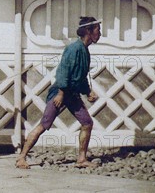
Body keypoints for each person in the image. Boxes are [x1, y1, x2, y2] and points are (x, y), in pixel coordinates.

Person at [16, 17, 102, 170]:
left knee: (87, 123)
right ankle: (21, 158)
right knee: (44, 124)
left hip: (73, 95)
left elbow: (80, 77)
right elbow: (63, 72)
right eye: (97, 30)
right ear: (88, 31)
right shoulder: (73, 49)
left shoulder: (85, 51)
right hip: (60, 93)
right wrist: (61, 93)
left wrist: (88, 92)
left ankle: (81, 158)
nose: (99, 33)